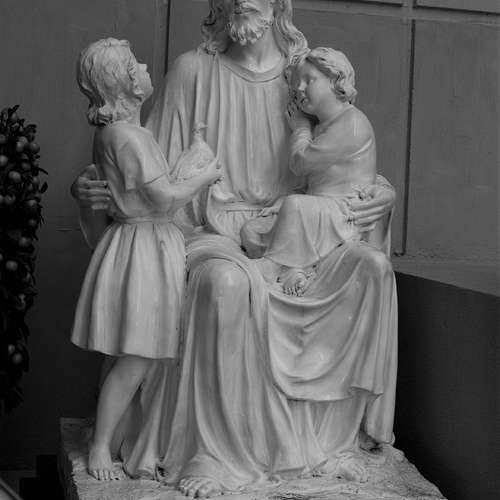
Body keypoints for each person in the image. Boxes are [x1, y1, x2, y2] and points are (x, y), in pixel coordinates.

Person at [71, 1, 397, 498]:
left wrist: (381, 193)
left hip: (301, 233)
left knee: (370, 267)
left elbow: (351, 151)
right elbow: (138, 173)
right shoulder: (192, 72)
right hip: (208, 232)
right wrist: (91, 189)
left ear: (278, 4)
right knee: (225, 282)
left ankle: (329, 443)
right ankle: (213, 452)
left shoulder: (306, 74)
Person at [71, 38, 221, 482]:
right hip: (143, 248)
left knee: (134, 353)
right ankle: (101, 445)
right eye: (135, 64)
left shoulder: (122, 134)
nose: (144, 66)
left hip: (143, 243)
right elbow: (165, 197)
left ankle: (112, 436)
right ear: (125, 82)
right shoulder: (128, 138)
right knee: (136, 354)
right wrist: (205, 176)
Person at [244, 47, 378, 296]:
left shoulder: (352, 123)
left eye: (309, 80)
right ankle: (294, 269)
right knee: (252, 230)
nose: (300, 88)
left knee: (295, 206)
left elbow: (301, 163)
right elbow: (318, 181)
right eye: (297, 83)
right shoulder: (325, 125)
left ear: (336, 80)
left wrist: (300, 128)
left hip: (345, 213)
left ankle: (274, 266)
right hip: (324, 209)